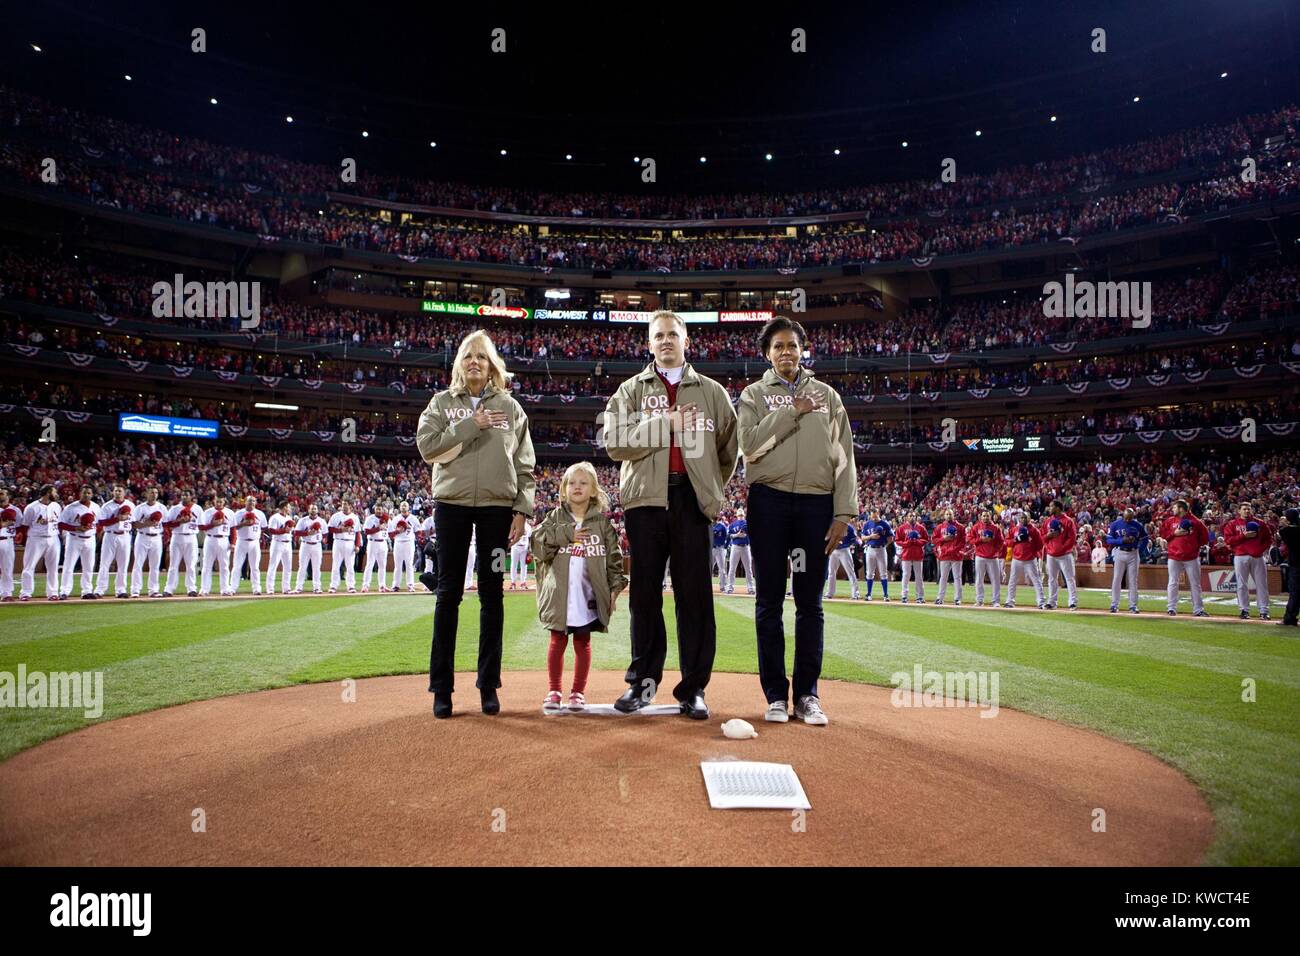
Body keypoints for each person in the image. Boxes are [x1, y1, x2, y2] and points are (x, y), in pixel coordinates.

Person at [603, 310, 737, 719]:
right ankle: (642, 685)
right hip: (645, 503)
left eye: (672, 334)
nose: (665, 341)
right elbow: (614, 442)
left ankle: (693, 689)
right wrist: (666, 422)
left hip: (691, 501)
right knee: (644, 597)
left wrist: (707, 487)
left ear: (686, 340)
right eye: (657, 335)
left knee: (694, 598)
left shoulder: (712, 392)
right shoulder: (629, 392)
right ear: (649, 344)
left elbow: (728, 451)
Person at [737, 316, 854, 726]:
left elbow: (844, 458)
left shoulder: (828, 396)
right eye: (777, 347)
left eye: (792, 345)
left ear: (803, 349)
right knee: (768, 601)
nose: (785, 352)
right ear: (767, 354)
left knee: (810, 604)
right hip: (768, 502)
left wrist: (844, 511)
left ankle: (807, 695)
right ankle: (774, 695)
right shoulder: (753, 395)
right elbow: (748, 447)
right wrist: (792, 412)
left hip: (815, 505)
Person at [418, 329, 536, 719]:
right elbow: (427, 447)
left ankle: (488, 685)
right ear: (459, 363)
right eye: (468, 356)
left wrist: (522, 510)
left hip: (498, 511)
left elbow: (525, 465)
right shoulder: (440, 403)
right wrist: (472, 423)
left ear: (491, 366)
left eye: (481, 357)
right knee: (447, 593)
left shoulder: (512, 408)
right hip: (450, 506)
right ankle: (442, 689)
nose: (474, 362)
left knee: (493, 594)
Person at [531, 462, 627, 713]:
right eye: (571, 483)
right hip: (560, 593)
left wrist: (615, 589)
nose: (577, 487)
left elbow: (615, 561)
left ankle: (577, 692)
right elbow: (537, 546)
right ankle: (553, 689)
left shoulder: (603, 524)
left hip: (587, 594)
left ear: (594, 490)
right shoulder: (554, 517)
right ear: (563, 489)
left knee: (583, 642)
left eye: (583, 483)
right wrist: (568, 535)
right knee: (556, 641)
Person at [1223, 502, 1273, 620]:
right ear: (1239, 511)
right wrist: (1243, 536)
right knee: (1241, 584)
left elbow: (1269, 539)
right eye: (1244, 509)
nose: (1247, 511)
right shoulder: (1232, 524)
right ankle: (1244, 610)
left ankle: (1264, 611)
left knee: (1262, 584)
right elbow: (1228, 540)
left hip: (1257, 556)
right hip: (1240, 556)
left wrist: (1259, 550)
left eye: (1249, 509)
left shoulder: (1260, 523)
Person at [1161, 499, 1209, 617]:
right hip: (1174, 556)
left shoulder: (1196, 522)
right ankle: (1171, 608)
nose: (1172, 509)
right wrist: (1174, 534)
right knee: (1173, 582)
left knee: (1195, 583)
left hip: (1191, 557)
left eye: (1174, 507)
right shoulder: (1170, 521)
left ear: (1181, 508)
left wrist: (1192, 546)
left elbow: (1204, 538)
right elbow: (1163, 535)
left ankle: (1198, 609)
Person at [19, 484, 61, 601]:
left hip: (53, 538)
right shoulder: (32, 507)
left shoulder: (56, 506)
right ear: (48, 493)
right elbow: (25, 525)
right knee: (29, 566)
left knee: (53, 567)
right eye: (54, 492)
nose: (56, 494)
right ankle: (26, 593)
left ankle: (53, 592)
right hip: (36, 539)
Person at [58, 486, 100, 599]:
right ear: (80, 494)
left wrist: (96, 534)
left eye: (89, 493)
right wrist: (75, 528)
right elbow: (60, 524)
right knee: (69, 565)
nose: (86, 495)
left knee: (89, 566)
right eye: (84, 492)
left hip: (90, 539)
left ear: (92, 494)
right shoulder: (71, 507)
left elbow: (98, 523)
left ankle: (87, 591)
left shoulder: (96, 507)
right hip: (74, 538)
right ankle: (64, 591)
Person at [94, 485, 134, 598]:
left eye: (120, 491)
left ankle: (121, 589)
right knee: (105, 563)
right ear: (113, 492)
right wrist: (117, 519)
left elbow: (134, 521)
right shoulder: (107, 506)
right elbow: (101, 523)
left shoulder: (131, 505)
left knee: (123, 564)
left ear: (124, 492)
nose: (118, 493)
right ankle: (100, 589)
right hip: (110, 535)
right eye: (116, 490)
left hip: (125, 535)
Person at [1106, 507, 1146, 613]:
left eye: (1130, 518)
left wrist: (1140, 549)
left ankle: (1133, 605)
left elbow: (1145, 538)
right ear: (1123, 516)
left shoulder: (1138, 525)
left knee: (1133, 580)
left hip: (1133, 553)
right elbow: (1109, 539)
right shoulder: (1115, 524)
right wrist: (1121, 540)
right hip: (1120, 552)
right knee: (1117, 579)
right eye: (1126, 518)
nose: (1128, 520)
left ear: (1133, 517)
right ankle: (1114, 604)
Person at [1040, 500, 1078, 610]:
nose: (1049, 508)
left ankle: (1073, 602)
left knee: (1069, 578)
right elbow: (1042, 537)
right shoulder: (1047, 521)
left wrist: (1062, 548)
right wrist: (1048, 535)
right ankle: (1052, 602)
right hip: (1051, 554)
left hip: (1065, 555)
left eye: (1051, 506)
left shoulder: (1068, 521)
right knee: (1052, 579)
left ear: (1057, 507)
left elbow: (1072, 539)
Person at [162, 491, 200, 597]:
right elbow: (166, 524)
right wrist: (179, 522)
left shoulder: (197, 508)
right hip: (177, 536)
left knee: (191, 565)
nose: (184, 496)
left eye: (187, 495)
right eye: (183, 495)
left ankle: (191, 588)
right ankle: (169, 589)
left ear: (191, 496)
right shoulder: (174, 509)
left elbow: (201, 524)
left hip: (191, 537)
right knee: (173, 564)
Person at [129, 487, 165, 598]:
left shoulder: (162, 507)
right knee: (138, 564)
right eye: (152, 492)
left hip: (157, 537)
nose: (154, 494)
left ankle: (153, 590)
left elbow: (166, 522)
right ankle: (135, 590)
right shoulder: (140, 508)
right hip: (142, 537)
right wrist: (147, 524)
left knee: (155, 565)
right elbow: (133, 524)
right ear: (146, 494)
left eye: (156, 492)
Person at [1004, 519, 1046, 609]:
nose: (1023, 520)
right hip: (1016, 558)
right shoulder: (1014, 529)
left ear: (1029, 519)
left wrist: (1030, 545)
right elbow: (1007, 542)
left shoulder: (1034, 530)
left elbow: (1040, 544)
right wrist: (1016, 539)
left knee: (1036, 581)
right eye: (1022, 518)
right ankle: (1009, 601)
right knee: (1012, 580)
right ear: (1019, 519)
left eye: (1025, 518)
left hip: (1030, 559)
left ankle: (1041, 602)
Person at [231, 494, 267, 595]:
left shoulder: (260, 514)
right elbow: (234, 528)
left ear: (256, 503)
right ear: (245, 502)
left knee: (255, 566)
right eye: (249, 501)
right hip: (241, 541)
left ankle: (256, 588)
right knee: (237, 565)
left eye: (253, 501)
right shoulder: (239, 513)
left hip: (254, 542)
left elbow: (263, 527)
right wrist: (243, 523)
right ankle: (233, 588)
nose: (251, 503)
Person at [199, 495, 234, 596]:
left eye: (220, 501)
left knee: (224, 566)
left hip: (224, 539)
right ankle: (204, 589)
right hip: (210, 538)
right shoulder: (207, 512)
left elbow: (233, 529)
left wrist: (232, 542)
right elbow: (201, 527)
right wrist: (212, 525)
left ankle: (225, 589)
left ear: (224, 502)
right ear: (214, 501)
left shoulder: (229, 512)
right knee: (206, 565)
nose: (219, 503)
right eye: (217, 501)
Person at [969, 509, 1004, 607]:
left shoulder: (996, 528)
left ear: (991, 516)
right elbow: (970, 539)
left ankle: (996, 601)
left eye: (987, 516)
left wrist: (995, 550)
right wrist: (981, 539)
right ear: (981, 517)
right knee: (979, 579)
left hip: (993, 557)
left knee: (995, 580)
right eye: (984, 516)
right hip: (980, 556)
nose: (985, 517)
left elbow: (1001, 542)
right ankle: (979, 600)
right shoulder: (976, 527)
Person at [934, 509, 965, 605]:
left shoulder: (960, 527)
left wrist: (955, 550)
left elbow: (963, 542)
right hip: (945, 555)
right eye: (947, 514)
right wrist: (944, 538)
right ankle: (940, 598)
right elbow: (934, 540)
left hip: (956, 555)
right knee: (943, 577)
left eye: (950, 514)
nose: (948, 515)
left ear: (953, 515)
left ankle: (957, 599)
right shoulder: (939, 527)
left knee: (957, 577)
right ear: (944, 516)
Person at [327, 498, 359, 594]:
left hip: (350, 542)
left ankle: (351, 586)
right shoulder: (336, 516)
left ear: (350, 505)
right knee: (336, 565)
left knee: (350, 566)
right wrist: (341, 530)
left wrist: (357, 545)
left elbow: (358, 533)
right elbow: (330, 529)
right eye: (343, 503)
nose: (344, 505)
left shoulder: (355, 517)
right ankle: (333, 586)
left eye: (346, 504)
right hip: (338, 541)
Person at [293, 503, 325, 594]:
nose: (313, 510)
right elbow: (296, 532)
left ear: (317, 510)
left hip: (317, 545)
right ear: (308, 510)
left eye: (315, 509)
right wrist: (307, 533)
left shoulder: (321, 521)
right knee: (302, 566)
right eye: (312, 509)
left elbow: (326, 533)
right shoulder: (303, 520)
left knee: (317, 567)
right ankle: (299, 587)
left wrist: (323, 538)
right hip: (305, 544)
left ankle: (317, 587)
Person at [895, 511, 927, 603]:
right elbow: (897, 540)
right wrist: (906, 543)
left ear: (916, 517)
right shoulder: (902, 528)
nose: (912, 517)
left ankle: (920, 596)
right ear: (906, 517)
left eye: (914, 516)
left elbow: (926, 539)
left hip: (918, 554)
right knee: (905, 575)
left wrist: (918, 541)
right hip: (906, 554)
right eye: (910, 515)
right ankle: (904, 595)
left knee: (919, 576)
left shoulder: (921, 528)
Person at [860, 509, 892, 601]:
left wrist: (884, 546)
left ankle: (885, 595)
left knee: (883, 573)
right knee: (869, 573)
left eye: (874, 515)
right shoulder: (867, 524)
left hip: (881, 549)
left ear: (878, 513)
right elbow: (862, 537)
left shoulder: (885, 524)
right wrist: (871, 537)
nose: (873, 517)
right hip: (870, 549)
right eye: (872, 516)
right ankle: (869, 594)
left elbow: (890, 538)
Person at [265, 500, 296, 595]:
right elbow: (271, 530)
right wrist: (283, 530)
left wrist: (290, 530)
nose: (290, 508)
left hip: (287, 543)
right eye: (288, 506)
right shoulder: (275, 517)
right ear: (284, 507)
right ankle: (270, 588)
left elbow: (291, 531)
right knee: (273, 566)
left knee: (288, 567)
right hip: (277, 543)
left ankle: (286, 588)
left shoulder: (289, 517)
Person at [361, 501, 392, 593]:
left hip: (383, 542)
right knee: (369, 564)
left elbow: (390, 531)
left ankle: (382, 585)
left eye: (380, 509)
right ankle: (365, 585)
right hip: (373, 542)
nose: (378, 511)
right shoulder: (370, 518)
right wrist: (378, 528)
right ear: (374, 509)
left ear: (383, 510)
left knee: (382, 566)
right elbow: (366, 531)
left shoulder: (386, 519)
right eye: (377, 509)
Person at [825, 519, 859, 600]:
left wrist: (845, 543)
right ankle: (830, 593)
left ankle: (855, 594)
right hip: (833, 550)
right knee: (831, 572)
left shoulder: (849, 527)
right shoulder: (831, 526)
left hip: (844, 550)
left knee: (850, 571)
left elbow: (854, 539)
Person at [725, 507, 754, 595]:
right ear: (737, 516)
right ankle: (730, 587)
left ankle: (750, 588)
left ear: (743, 515)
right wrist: (736, 535)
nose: (740, 516)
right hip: (735, 546)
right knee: (732, 568)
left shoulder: (747, 523)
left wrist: (746, 534)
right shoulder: (733, 524)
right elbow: (729, 535)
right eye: (739, 515)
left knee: (748, 569)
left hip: (745, 547)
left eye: (742, 515)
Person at [391, 502, 418, 592]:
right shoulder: (396, 519)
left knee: (409, 564)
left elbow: (418, 531)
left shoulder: (413, 518)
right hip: (398, 542)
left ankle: (410, 585)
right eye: (402, 505)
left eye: (405, 505)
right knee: (397, 565)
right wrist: (398, 531)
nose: (403, 507)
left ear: (408, 507)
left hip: (409, 542)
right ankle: (395, 585)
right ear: (399, 507)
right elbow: (390, 534)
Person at [1279, 508, 1299, 627]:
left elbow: (1285, 529)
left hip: (1296, 564)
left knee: (1295, 592)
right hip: (1295, 564)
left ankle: (1290, 618)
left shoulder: (1285, 531)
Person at [0, 491, 18, 601]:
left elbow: (21, 525)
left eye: (3, 495)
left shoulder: (15, 510)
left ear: (8, 497)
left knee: (7, 568)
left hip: (8, 541)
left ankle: (7, 593)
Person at [508, 513, 533, 591]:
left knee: (524, 566)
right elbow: (510, 535)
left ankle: (523, 583)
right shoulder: (514, 524)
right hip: (515, 546)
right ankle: (513, 583)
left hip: (524, 548)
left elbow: (530, 538)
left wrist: (529, 549)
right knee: (513, 565)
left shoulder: (528, 527)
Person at [710, 518, 728, 591]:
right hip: (712, 549)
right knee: (709, 567)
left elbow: (727, 536)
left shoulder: (722, 526)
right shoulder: (710, 525)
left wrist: (725, 546)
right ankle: (707, 585)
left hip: (720, 548)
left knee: (721, 568)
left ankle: (723, 585)